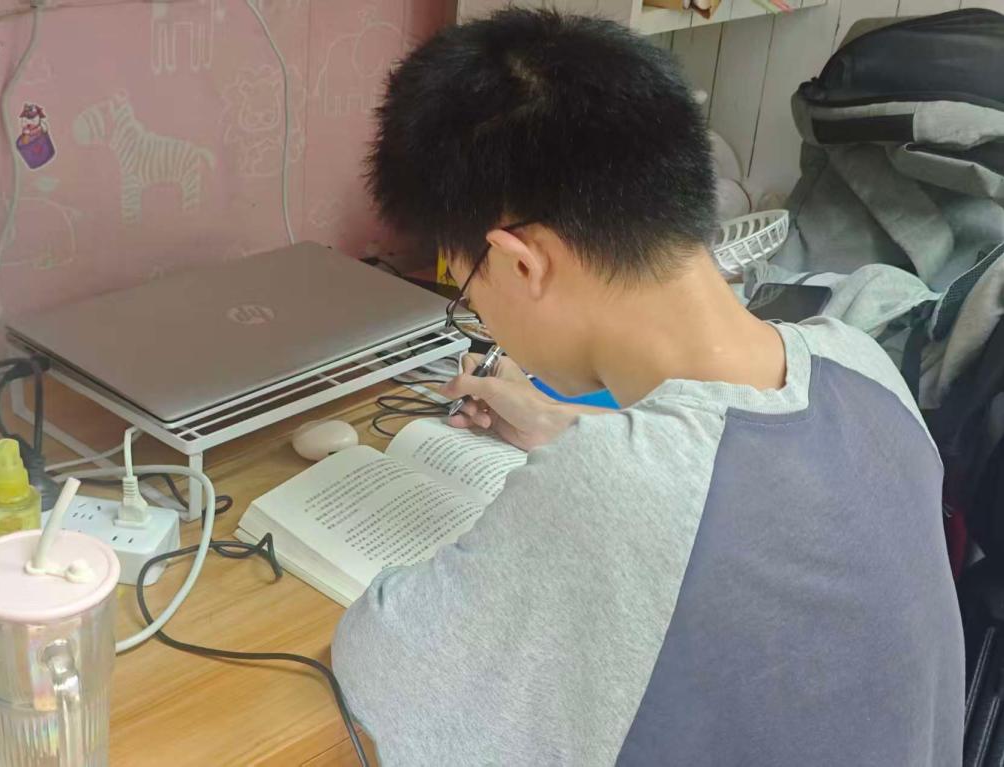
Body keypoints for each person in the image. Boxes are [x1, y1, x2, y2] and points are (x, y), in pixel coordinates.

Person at [332, 9, 964, 766]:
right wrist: (570, 426)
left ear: (522, 262)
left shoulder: (612, 487)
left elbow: (383, 665)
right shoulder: (864, 365)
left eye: (469, 288)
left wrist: (593, 461)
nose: (482, 314)